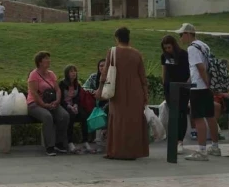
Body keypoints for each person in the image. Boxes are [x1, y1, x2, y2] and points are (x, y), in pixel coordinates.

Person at [95, 27, 149, 160]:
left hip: (117, 91)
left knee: (118, 121)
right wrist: (145, 95)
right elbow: (143, 77)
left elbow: (105, 73)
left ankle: (116, 151)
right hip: (135, 91)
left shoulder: (112, 52)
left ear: (117, 38)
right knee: (133, 121)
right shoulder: (137, 54)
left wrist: (100, 89)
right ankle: (132, 151)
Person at [177, 23, 221, 161]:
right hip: (206, 87)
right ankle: (215, 147)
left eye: (181, 34)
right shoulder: (204, 45)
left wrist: (205, 83)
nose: (180, 38)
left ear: (188, 34)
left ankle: (202, 151)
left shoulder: (192, 48)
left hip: (199, 87)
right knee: (210, 116)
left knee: (198, 118)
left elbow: (200, 68)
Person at [27, 51, 69, 156]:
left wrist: (57, 101)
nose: (49, 60)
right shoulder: (33, 75)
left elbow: (57, 89)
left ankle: (59, 143)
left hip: (51, 102)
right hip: (35, 104)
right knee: (47, 117)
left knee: (64, 116)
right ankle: (49, 146)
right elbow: (34, 93)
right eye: (46, 58)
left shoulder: (51, 74)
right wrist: (44, 105)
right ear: (40, 62)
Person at [160, 35, 191, 154]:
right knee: (173, 113)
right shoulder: (164, 56)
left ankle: (180, 141)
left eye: (169, 47)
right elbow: (164, 72)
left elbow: (189, 70)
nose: (168, 50)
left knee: (181, 113)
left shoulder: (184, 55)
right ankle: (173, 139)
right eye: (165, 48)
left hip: (182, 87)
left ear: (174, 45)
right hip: (169, 87)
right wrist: (164, 85)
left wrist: (187, 83)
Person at [59, 65, 95, 154]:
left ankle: (85, 141)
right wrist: (69, 106)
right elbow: (60, 99)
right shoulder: (62, 84)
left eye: (75, 71)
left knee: (84, 115)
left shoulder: (77, 85)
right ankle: (70, 142)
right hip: (64, 106)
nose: (73, 73)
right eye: (71, 71)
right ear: (67, 73)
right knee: (70, 116)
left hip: (74, 105)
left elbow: (77, 98)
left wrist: (75, 105)